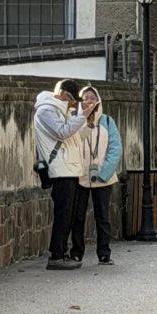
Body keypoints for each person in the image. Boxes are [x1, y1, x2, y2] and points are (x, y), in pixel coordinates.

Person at [34, 79, 88, 270]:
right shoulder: (46, 110)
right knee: (63, 214)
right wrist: (83, 115)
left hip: (70, 168)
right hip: (60, 169)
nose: (73, 104)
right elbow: (62, 133)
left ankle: (62, 253)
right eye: (72, 100)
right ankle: (56, 255)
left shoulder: (64, 111)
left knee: (70, 215)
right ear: (63, 94)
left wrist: (84, 120)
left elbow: (75, 137)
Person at [76, 86, 123, 266]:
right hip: (80, 177)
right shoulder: (75, 121)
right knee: (78, 217)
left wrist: (104, 173)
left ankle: (104, 253)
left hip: (103, 178)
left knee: (102, 216)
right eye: (85, 97)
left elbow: (115, 148)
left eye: (92, 97)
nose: (88, 100)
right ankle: (76, 253)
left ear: (98, 100)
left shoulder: (107, 121)